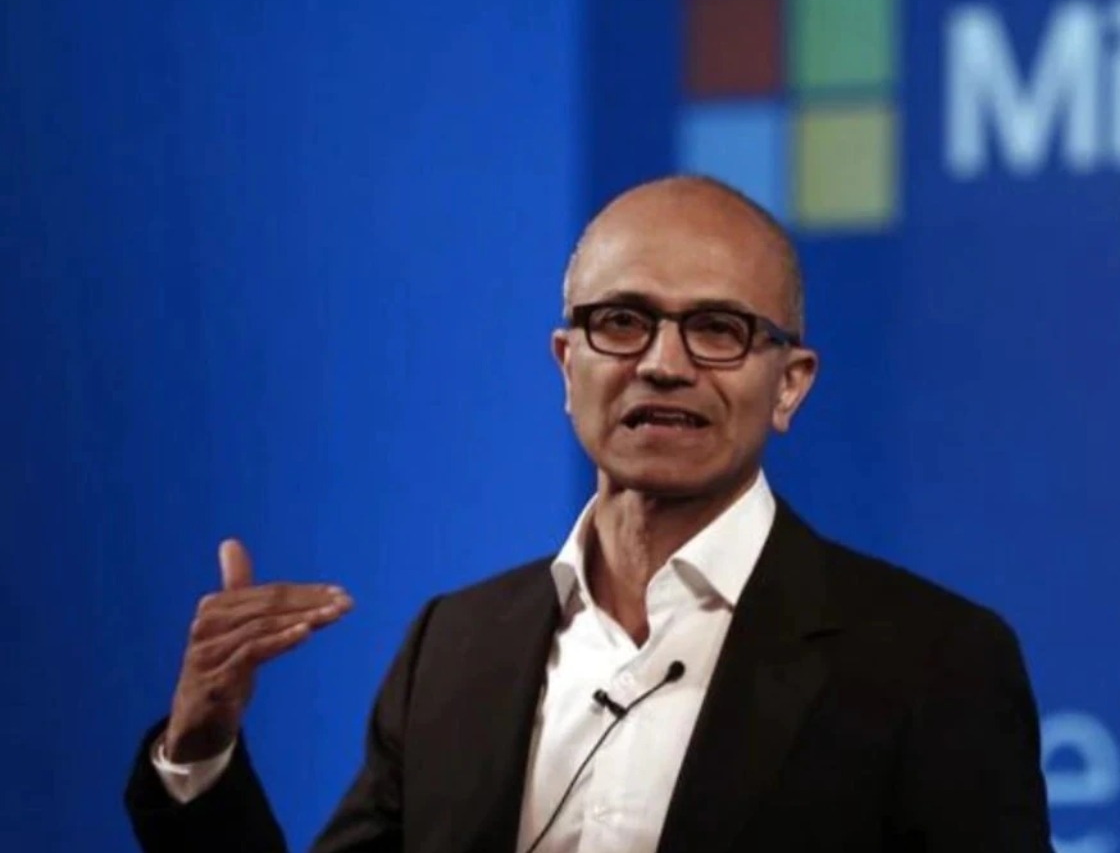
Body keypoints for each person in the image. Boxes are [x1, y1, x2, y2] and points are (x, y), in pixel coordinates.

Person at [123, 174, 1053, 852]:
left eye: (718, 330)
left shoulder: (930, 661)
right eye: (622, 322)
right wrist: (199, 755)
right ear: (569, 365)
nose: (663, 364)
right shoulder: (455, 648)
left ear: (790, 385)